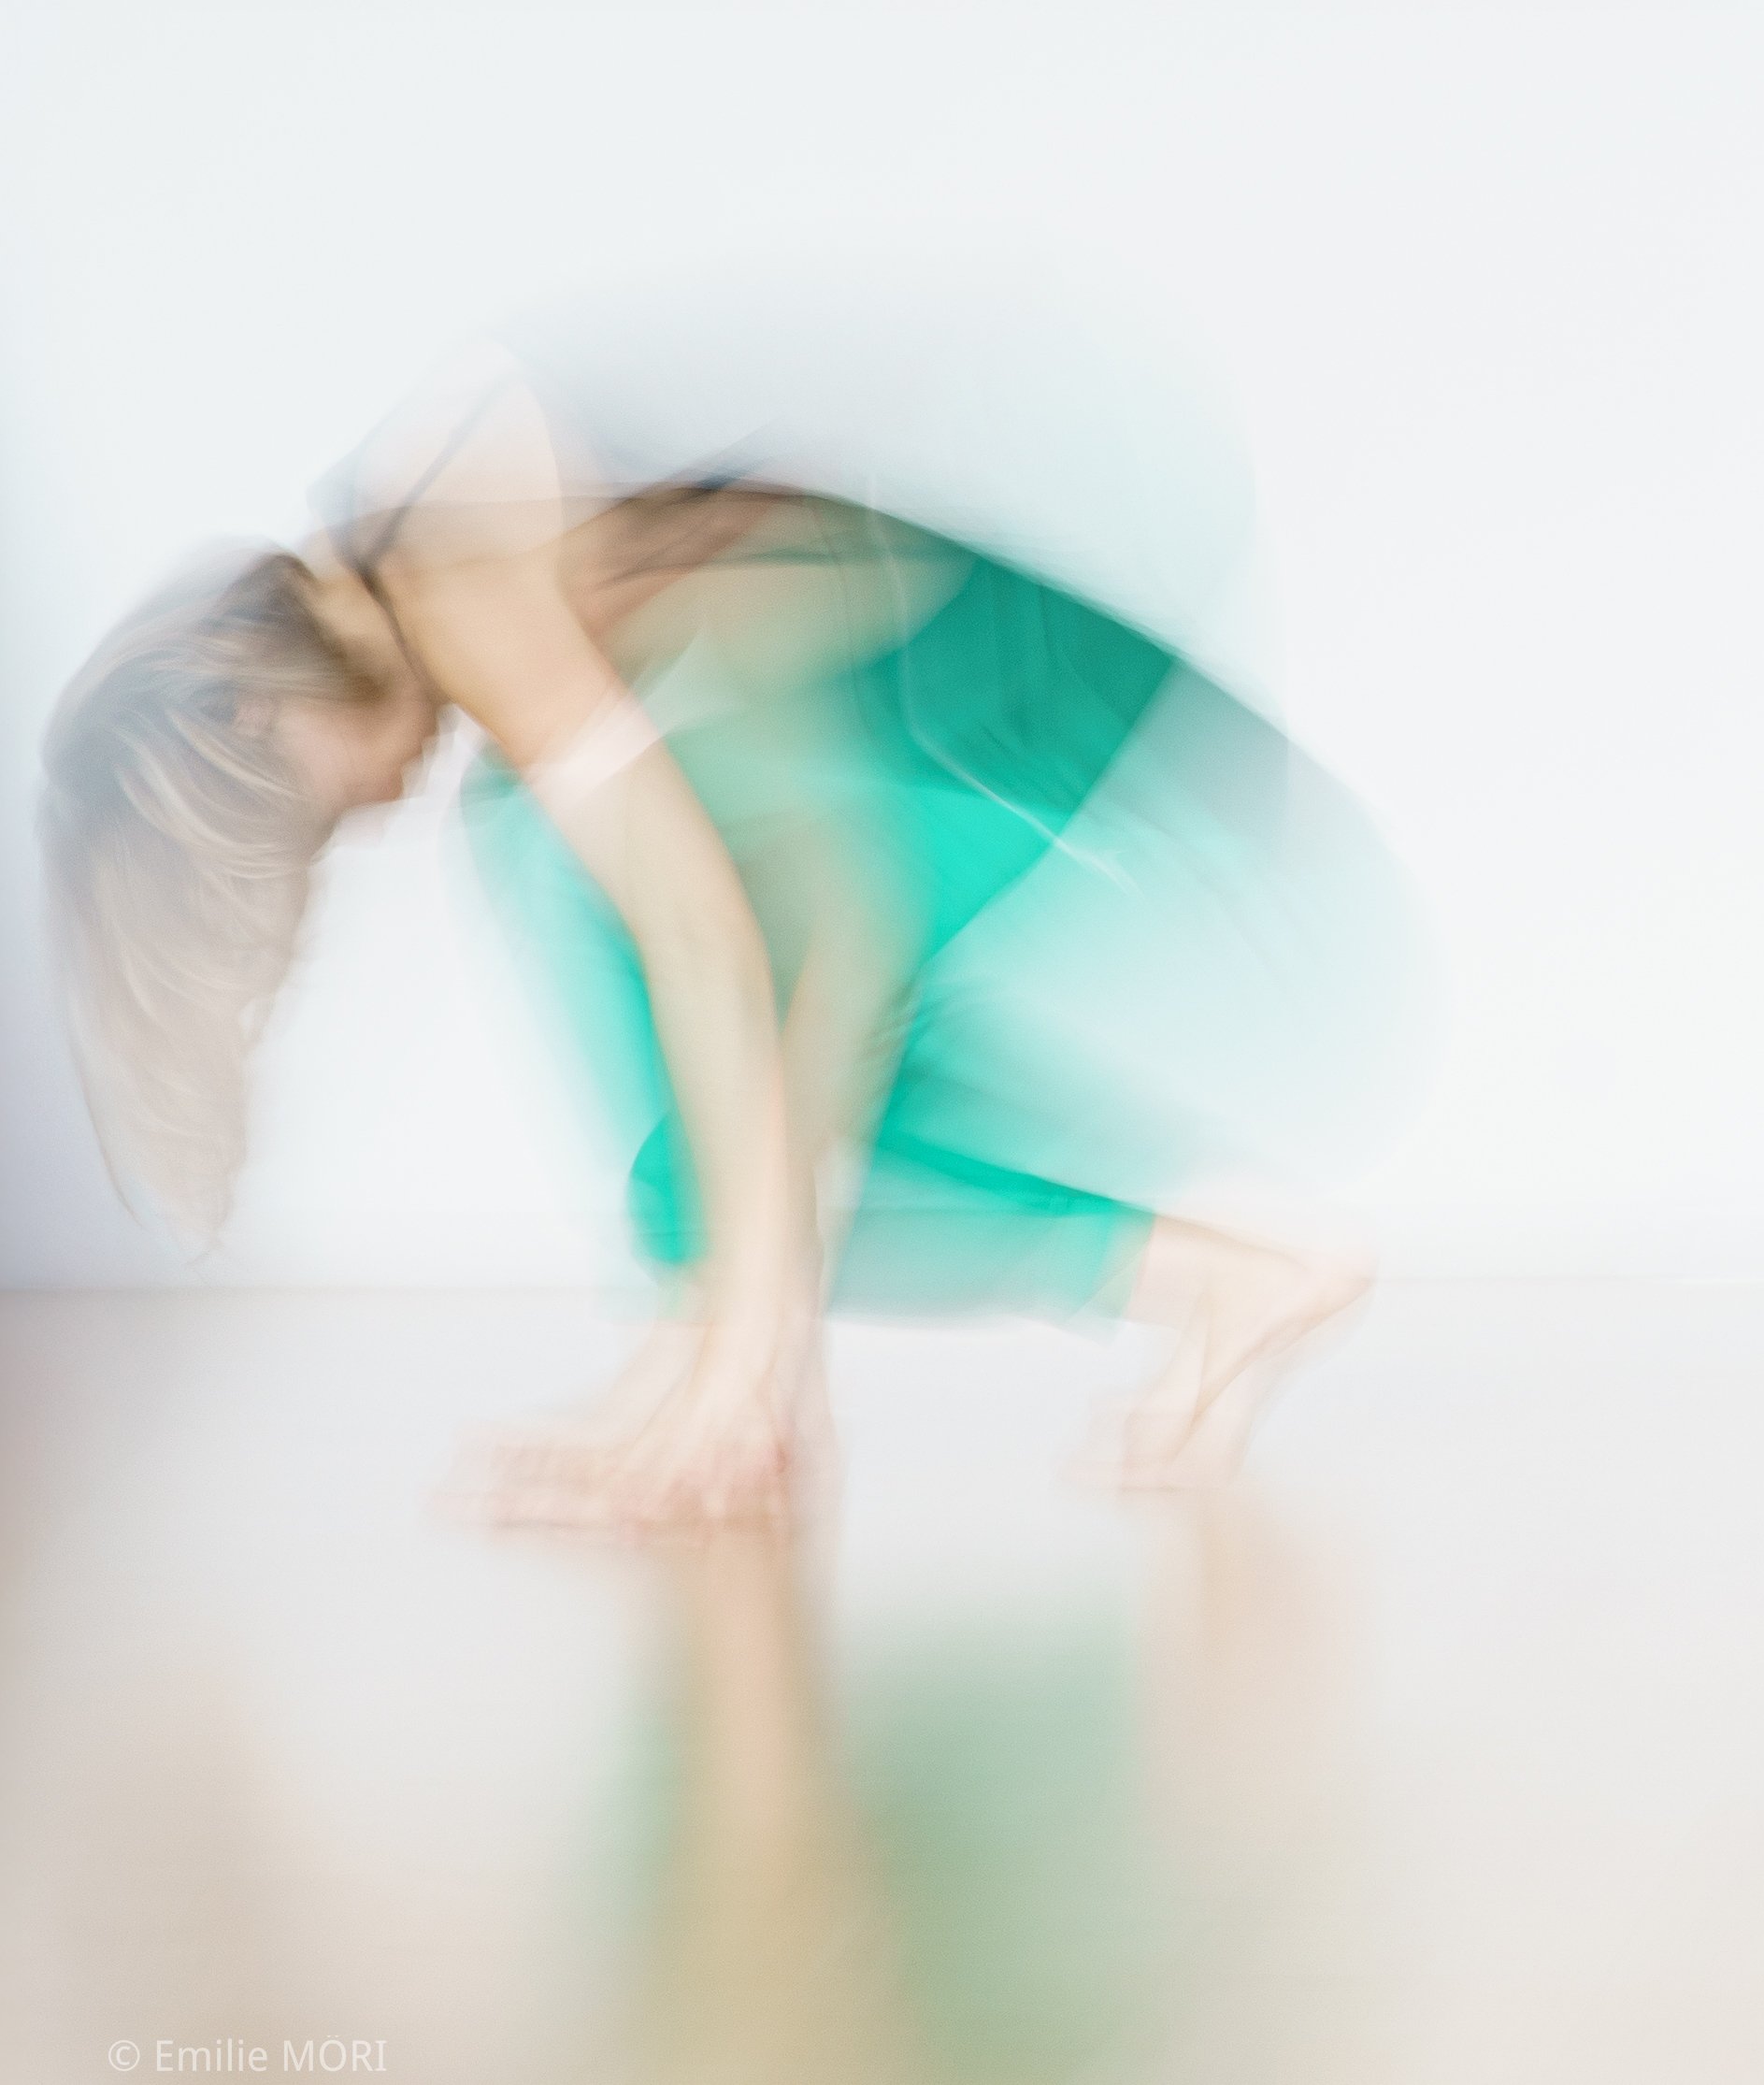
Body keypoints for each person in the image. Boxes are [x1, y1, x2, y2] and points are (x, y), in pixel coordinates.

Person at [38, 269, 1422, 1527]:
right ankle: (1221, 1274)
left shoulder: (449, 574)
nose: (357, 816)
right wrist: (719, 1343)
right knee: (684, 1110)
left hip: (985, 680)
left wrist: (744, 1351)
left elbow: (736, 926)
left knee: (715, 1125)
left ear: (254, 702)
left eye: (311, 805)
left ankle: (1199, 1274)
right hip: (924, 687)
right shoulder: (460, 583)